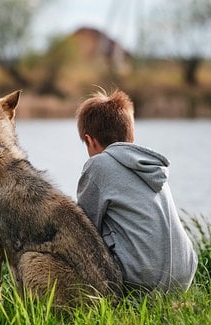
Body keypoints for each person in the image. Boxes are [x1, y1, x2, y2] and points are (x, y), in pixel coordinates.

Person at [76, 88, 198, 294]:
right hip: (183, 276)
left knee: (80, 229)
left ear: (90, 140)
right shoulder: (148, 166)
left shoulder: (99, 164)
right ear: (131, 137)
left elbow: (83, 229)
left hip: (142, 281)